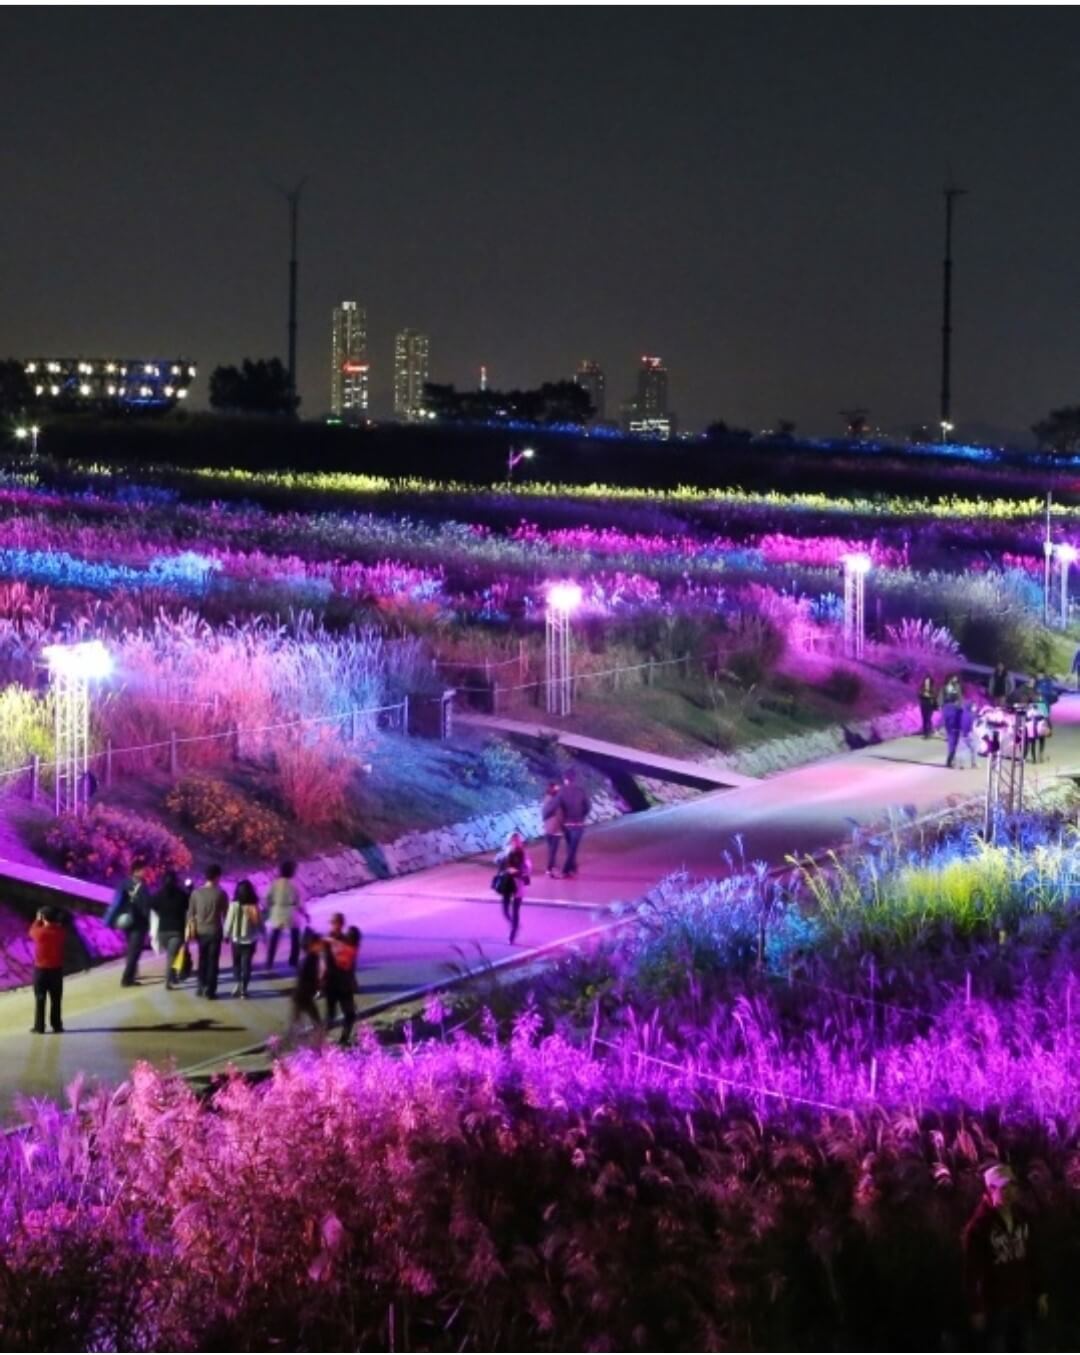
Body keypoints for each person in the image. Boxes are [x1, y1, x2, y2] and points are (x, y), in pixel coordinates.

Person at [963, 1163, 1048, 1350]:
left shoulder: (1023, 1218)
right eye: (1004, 1187)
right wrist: (976, 1308)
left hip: (1022, 1299)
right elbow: (971, 1273)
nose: (1010, 1192)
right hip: (996, 1306)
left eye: (1012, 1186)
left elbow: (1033, 1256)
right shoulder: (979, 1228)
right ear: (990, 1190)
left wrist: (1040, 1291)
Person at [104, 858, 152, 988]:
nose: (145, 872)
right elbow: (117, 902)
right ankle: (126, 979)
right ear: (136, 871)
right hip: (137, 923)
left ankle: (131, 975)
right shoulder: (138, 886)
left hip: (130, 922)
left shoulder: (128, 884)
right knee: (135, 950)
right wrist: (108, 920)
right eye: (143, 870)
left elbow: (116, 902)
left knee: (132, 949)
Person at [187, 864, 228, 1000]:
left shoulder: (196, 893)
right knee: (213, 961)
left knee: (202, 959)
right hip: (215, 931)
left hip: (200, 931)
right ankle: (210, 991)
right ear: (217, 877)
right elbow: (226, 915)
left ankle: (200, 987)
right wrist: (227, 933)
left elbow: (190, 914)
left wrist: (191, 929)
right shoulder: (221, 893)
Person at [29, 906, 66, 1034]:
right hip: (56, 970)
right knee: (56, 999)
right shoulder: (60, 932)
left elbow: (31, 931)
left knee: (40, 999)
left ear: (43, 917)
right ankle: (57, 1025)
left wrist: (37, 920)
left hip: (41, 971)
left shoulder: (39, 933)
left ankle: (39, 1026)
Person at [152, 869, 191, 990]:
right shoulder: (181, 895)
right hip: (176, 931)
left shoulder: (158, 895)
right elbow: (188, 908)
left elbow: (153, 907)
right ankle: (168, 981)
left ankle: (173, 976)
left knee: (171, 954)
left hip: (162, 931)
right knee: (171, 956)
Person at [224, 879, 263, 999]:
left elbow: (229, 922)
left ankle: (238, 983)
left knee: (236, 964)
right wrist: (263, 934)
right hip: (251, 940)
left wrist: (226, 935)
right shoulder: (255, 906)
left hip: (236, 940)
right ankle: (244, 990)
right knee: (247, 966)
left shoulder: (234, 905)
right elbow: (260, 923)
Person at [266, 860, 307, 970]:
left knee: (275, 937)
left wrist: (271, 906)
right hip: (291, 912)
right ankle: (293, 960)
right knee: (295, 937)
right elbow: (299, 901)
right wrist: (305, 913)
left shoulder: (275, 884)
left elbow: (267, 898)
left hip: (278, 911)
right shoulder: (294, 884)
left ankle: (269, 961)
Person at [325, 921, 360, 1046]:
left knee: (331, 1016)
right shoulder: (350, 951)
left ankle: (320, 1041)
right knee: (350, 1015)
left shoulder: (340, 946)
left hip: (332, 986)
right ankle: (343, 1040)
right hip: (343, 987)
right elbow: (348, 971)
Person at [494, 831, 531, 943]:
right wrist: (502, 859)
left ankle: (513, 934)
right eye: (513, 840)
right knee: (505, 911)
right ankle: (515, 925)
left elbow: (527, 867)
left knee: (515, 911)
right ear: (509, 841)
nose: (515, 842)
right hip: (507, 883)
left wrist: (520, 872)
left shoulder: (523, 853)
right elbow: (497, 861)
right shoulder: (506, 851)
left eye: (517, 840)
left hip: (518, 883)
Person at [557, 768, 591, 879]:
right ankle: (569, 869)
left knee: (570, 847)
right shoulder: (581, 791)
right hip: (578, 823)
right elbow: (588, 807)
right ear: (574, 778)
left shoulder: (561, 792)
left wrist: (562, 820)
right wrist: (582, 815)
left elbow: (558, 808)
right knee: (573, 848)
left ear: (565, 779)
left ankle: (569, 869)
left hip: (566, 824)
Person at [290, 930, 324, 1037]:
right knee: (314, 1021)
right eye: (319, 943)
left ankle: (293, 1038)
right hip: (302, 996)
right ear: (312, 945)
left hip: (304, 995)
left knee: (299, 1021)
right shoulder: (308, 960)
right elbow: (303, 979)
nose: (321, 946)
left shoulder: (314, 957)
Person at [541, 781, 563, 877]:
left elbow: (544, 814)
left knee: (551, 850)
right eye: (557, 788)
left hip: (548, 828)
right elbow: (560, 814)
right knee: (553, 851)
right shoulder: (556, 801)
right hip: (556, 828)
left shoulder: (546, 799)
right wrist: (562, 824)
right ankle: (550, 869)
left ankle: (553, 866)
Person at [1024, 697, 1050, 764]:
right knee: (1035, 742)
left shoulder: (1041, 706)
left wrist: (1048, 726)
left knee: (1039, 741)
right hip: (1033, 726)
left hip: (1039, 725)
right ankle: (1035, 758)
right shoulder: (1030, 707)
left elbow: (1046, 717)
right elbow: (1026, 718)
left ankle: (1038, 756)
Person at [943, 693, 964, 769]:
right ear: (956, 700)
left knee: (951, 744)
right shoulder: (958, 709)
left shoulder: (945, 708)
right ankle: (950, 761)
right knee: (954, 745)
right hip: (956, 728)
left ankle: (950, 760)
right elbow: (961, 718)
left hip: (949, 728)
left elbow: (945, 718)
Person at [960, 698, 980, 770]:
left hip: (962, 734)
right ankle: (974, 764)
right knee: (974, 749)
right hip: (970, 734)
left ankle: (962, 764)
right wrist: (976, 734)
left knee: (963, 750)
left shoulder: (962, 714)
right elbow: (973, 726)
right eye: (974, 706)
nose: (975, 707)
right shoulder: (971, 715)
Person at [917, 673, 937, 738]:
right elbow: (918, 694)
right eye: (926, 681)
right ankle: (925, 733)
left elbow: (935, 696)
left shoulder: (933, 688)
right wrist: (922, 694)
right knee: (924, 718)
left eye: (928, 681)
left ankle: (929, 731)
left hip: (930, 704)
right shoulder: (921, 687)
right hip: (923, 703)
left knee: (928, 718)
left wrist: (930, 696)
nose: (927, 683)